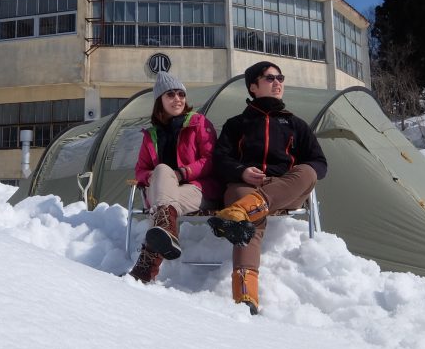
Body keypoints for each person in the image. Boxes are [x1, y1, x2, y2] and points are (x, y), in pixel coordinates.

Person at [209, 61, 327, 314]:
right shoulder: (236, 124)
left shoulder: (295, 124)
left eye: (280, 78)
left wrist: (290, 178)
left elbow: (319, 162)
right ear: (253, 86)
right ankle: (245, 294)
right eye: (270, 78)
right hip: (243, 186)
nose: (278, 83)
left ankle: (240, 213)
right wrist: (241, 171)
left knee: (307, 171)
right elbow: (219, 160)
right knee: (249, 215)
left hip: (284, 188)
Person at [129, 71, 221, 283]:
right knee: (161, 172)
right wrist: (156, 176)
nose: (177, 99)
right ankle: (165, 230)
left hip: (199, 189)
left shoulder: (198, 123)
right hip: (166, 193)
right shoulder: (151, 134)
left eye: (181, 94)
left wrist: (183, 173)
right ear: (159, 100)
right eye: (170, 95)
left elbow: (211, 160)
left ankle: (145, 269)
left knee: (161, 205)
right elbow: (140, 170)